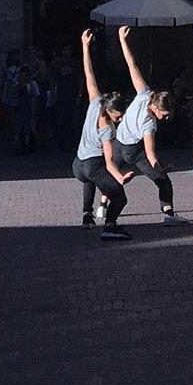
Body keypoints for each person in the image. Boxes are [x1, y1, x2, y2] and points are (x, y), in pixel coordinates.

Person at [113, 25, 178, 219]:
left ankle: (101, 205)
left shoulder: (144, 94)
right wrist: (160, 170)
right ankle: (169, 214)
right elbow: (150, 154)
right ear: (156, 108)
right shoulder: (149, 124)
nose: (165, 118)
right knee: (164, 182)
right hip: (133, 149)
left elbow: (132, 65)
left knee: (112, 175)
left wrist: (122, 40)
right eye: (164, 114)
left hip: (119, 141)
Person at [72, 27, 132, 240]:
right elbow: (109, 162)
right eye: (118, 117)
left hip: (77, 164)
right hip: (93, 165)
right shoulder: (106, 128)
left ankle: (87, 214)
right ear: (110, 111)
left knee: (89, 179)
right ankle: (110, 227)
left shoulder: (96, 101)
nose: (119, 119)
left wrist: (85, 45)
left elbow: (89, 73)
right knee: (120, 197)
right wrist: (120, 178)